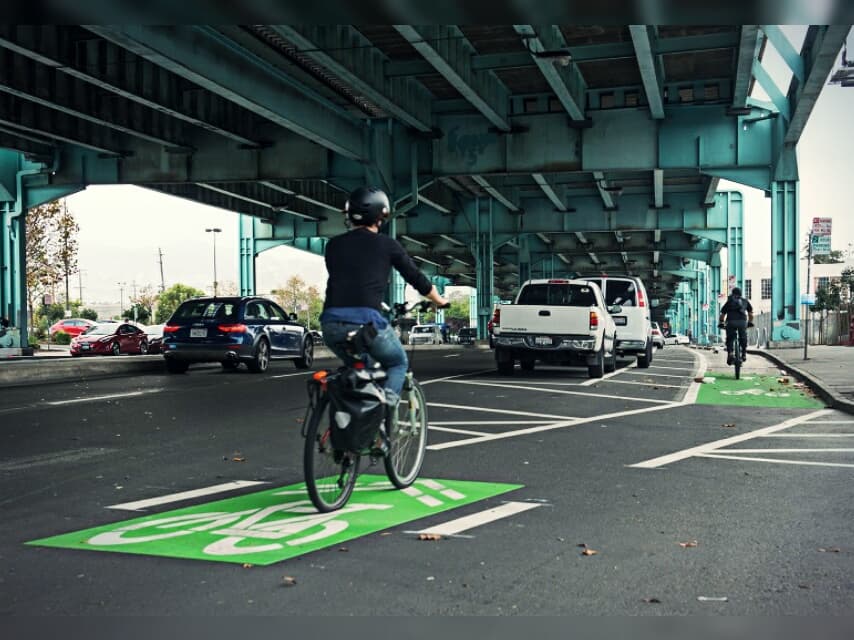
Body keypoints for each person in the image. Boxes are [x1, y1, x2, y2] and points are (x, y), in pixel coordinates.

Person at [320, 187, 449, 409]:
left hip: (330, 324)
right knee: (398, 363)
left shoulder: (333, 245)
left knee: (362, 369)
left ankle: (353, 419)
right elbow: (416, 277)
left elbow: (349, 278)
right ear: (381, 216)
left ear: (349, 215)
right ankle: (382, 414)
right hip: (365, 324)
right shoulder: (387, 245)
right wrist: (439, 300)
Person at [718, 286, 754, 365]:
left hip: (730, 322)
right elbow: (750, 314)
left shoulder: (729, 301)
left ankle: (730, 352)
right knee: (743, 337)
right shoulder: (745, 301)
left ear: (732, 294)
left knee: (730, 338)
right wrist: (750, 322)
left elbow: (722, 315)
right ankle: (744, 354)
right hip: (742, 322)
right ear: (740, 294)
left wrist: (721, 322)